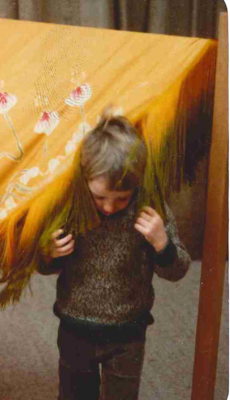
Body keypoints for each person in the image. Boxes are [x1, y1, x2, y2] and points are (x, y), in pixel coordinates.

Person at [39, 110, 191, 400]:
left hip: (128, 333)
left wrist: (162, 244)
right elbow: (42, 267)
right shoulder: (70, 207)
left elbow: (178, 270)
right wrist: (50, 253)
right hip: (76, 327)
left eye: (122, 198)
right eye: (99, 198)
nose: (109, 208)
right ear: (84, 181)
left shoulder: (150, 207)